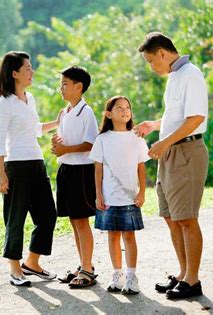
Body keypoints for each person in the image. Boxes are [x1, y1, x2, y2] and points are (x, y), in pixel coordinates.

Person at [134, 32, 209, 299]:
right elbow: (177, 117)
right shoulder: (175, 77)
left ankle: (193, 280)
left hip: (187, 151)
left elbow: (196, 118)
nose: (151, 67)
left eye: (151, 61)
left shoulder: (191, 74)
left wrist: (163, 142)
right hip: (171, 152)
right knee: (170, 216)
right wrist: (154, 126)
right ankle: (182, 274)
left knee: (187, 218)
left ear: (163, 54)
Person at [0, 51, 60, 286]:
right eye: (28, 69)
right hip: (15, 166)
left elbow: (35, 129)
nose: (32, 72)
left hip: (36, 163)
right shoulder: (4, 104)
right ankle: (14, 269)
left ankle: (32, 263)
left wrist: (58, 122)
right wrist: (1, 173)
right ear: (14, 73)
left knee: (47, 216)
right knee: (16, 218)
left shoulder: (30, 99)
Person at [89, 95, 150, 295]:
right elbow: (97, 169)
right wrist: (98, 194)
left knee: (129, 236)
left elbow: (141, 167)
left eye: (127, 108)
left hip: (130, 197)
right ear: (108, 114)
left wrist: (142, 191)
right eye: (119, 108)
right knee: (113, 236)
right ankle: (118, 274)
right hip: (108, 197)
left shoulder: (137, 137)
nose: (124, 111)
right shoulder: (102, 139)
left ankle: (132, 277)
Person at [52, 66, 99, 288]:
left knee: (81, 220)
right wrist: (57, 146)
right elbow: (63, 142)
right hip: (66, 170)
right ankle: (83, 265)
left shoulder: (86, 112)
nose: (61, 88)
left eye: (65, 84)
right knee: (73, 220)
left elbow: (91, 143)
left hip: (81, 171)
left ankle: (88, 270)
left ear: (79, 87)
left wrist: (66, 150)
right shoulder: (65, 112)